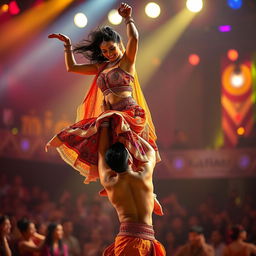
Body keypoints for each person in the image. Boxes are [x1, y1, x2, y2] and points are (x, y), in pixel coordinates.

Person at [46, 2, 160, 185]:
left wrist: (128, 19)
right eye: (104, 51)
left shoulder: (127, 62)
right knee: (102, 149)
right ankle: (110, 184)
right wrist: (68, 46)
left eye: (112, 49)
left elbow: (135, 39)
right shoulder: (102, 66)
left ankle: (138, 185)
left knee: (127, 154)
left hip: (127, 113)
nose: (109, 54)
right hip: (109, 114)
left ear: (119, 45)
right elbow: (72, 68)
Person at [97, 120, 166, 255]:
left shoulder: (110, 183)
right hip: (148, 241)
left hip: (127, 241)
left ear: (110, 167)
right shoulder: (144, 174)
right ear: (129, 160)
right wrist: (130, 134)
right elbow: (150, 151)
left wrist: (105, 125)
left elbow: (101, 154)